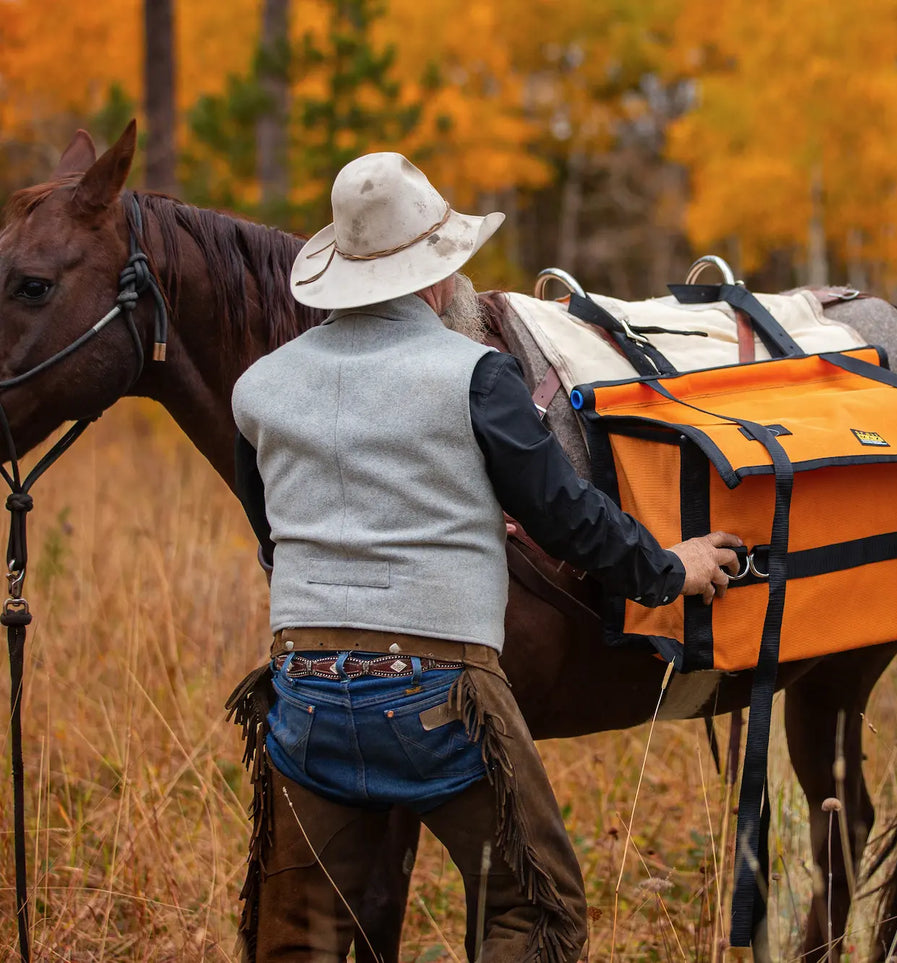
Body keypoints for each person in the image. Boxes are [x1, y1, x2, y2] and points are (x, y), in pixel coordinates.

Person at [228, 151, 742, 962]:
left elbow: (277, 534)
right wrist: (670, 568)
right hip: (440, 695)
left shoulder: (258, 387)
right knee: (535, 908)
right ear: (436, 282)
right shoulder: (475, 374)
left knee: (300, 935)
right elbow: (571, 519)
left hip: (303, 695)